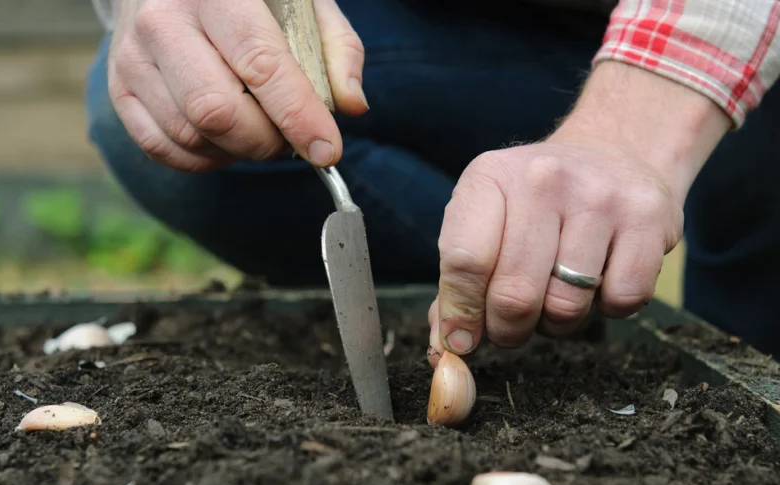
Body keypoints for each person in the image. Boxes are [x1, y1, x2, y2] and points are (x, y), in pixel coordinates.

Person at [86, 0, 779, 359]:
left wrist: (629, 130)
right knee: (195, 105)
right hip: (452, 26)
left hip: (708, 28)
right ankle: (513, 301)